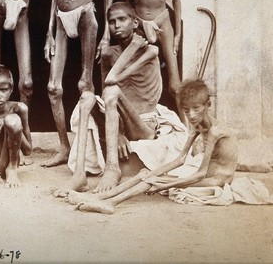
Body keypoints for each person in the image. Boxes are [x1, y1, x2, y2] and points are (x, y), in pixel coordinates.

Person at [66, 79, 238, 214]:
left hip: (216, 179)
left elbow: (201, 173)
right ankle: (98, 197)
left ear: (207, 106)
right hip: (205, 173)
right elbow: (180, 160)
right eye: (186, 110)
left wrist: (163, 184)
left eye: (196, 109)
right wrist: (154, 175)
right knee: (146, 173)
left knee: (154, 180)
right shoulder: (198, 127)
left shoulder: (216, 131)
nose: (191, 115)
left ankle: (110, 203)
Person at [30, 0, 113, 169]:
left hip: (87, 15)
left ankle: (86, 152)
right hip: (62, 17)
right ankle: (64, 147)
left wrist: (107, 35)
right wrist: (49, 32)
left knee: (84, 83)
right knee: (54, 86)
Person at [92, 2, 163, 193]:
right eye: (112, 21)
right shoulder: (108, 54)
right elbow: (105, 93)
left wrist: (134, 47)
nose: (117, 25)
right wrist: (118, 133)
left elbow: (112, 80)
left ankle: (112, 168)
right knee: (88, 98)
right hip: (121, 121)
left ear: (135, 22)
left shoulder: (150, 50)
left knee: (112, 90)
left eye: (122, 19)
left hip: (145, 125)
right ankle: (79, 178)